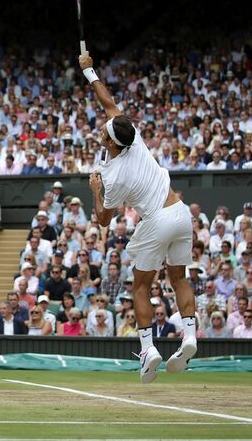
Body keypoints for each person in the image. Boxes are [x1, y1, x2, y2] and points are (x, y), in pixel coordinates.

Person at [82, 53, 196, 383]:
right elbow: (107, 101)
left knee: (141, 287)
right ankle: (189, 337)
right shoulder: (130, 135)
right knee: (179, 278)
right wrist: (89, 69)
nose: (102, 127)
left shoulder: (112, 175)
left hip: (157, 221)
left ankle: (148, 349)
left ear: (110, 142)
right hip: (181, 213)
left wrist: (95, 190)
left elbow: (103, 220)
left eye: (104, 131)